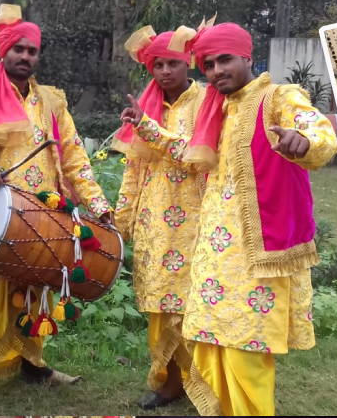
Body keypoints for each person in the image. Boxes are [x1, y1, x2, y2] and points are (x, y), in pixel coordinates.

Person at [0, 4, 113, 415]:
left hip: (46, 215)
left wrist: (97, 205)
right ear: (2, 52)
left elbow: (74, 156)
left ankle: (33, 365)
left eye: (32, 50)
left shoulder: (52, 102)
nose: (25, 56)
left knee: (39, 291)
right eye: (18, 49)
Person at [176, 20, 337, 416]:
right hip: (214, 252)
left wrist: (306, 144)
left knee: (247, 347)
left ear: (247, 56)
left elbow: (319, 130)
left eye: (225, 60)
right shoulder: (213, 111)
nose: (216, 71)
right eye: (208, 64)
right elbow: (185, 149)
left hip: (258, 253)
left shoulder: (279, 97)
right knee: (210, 337)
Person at [113, 25, 207, 410]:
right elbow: (134, 170)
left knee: (194, 303)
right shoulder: (147, 106)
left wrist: (149, 128)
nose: (165, 71)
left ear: (187, 64)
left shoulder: (206, 102)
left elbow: (197, 153)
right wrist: (120, 224)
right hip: (154, 222)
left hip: (197, 218)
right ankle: (170, 381)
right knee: (160, 305)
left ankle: (201, 382)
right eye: (158, 65)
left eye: (173, 63)